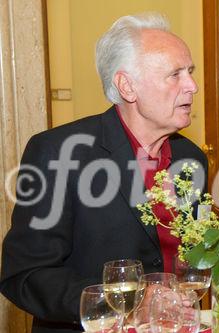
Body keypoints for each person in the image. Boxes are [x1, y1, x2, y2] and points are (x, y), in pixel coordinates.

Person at [0, 13, 207, 333]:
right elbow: (25, 275)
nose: (192, 86)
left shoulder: (191, 159)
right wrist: (127, 301)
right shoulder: (59, 153)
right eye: (175, 74)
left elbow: (193, 259)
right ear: (127, 86)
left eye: (190, 72)